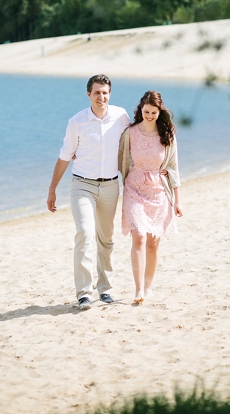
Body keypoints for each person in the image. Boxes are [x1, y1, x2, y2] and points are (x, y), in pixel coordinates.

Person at [48, 75, 130, 311]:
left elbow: (134, 140)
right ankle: (84, 293)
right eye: (96, 93)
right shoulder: (77, 122)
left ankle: (105, 290)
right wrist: (52, 188)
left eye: (105, 93)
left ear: (110, 94)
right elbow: (65, 155)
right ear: (88, 95)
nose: (101, 97)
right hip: (82, 185)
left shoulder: (121, 116)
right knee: (84, 233)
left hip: (111, 186)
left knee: (106, 238)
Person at [118, 91, 183, 305]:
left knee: (153, 244)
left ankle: (148, 286)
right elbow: (120, 161)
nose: (149, 115)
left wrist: (177, 200)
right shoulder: (130, 133)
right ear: (140, 110)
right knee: (139, 237)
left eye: (153, 112)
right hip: (134, 189)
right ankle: (138, 290)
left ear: (159, 112)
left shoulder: (168, 134)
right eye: (146, 111)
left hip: (158, 192)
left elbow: (173, 167)